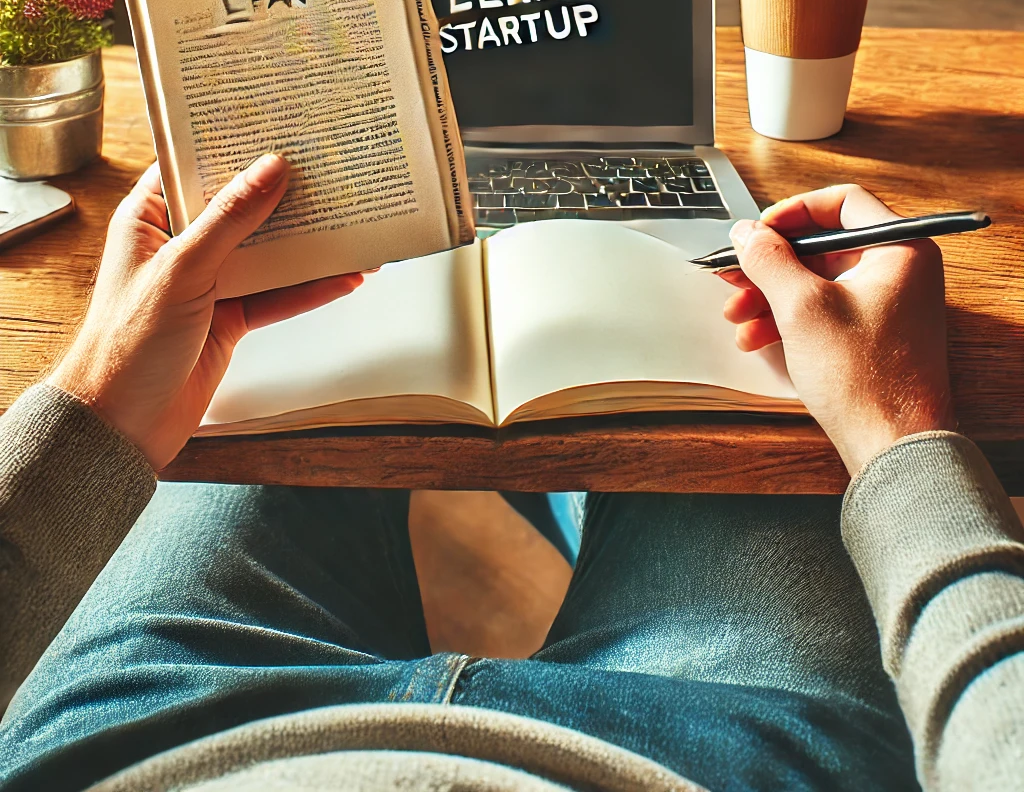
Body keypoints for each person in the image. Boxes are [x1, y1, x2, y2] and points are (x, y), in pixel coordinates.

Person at [2, 158, 1022, 791]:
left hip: (140, 736)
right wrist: (896, 432)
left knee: (238, 404)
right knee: (751, 438)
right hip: (733, 756)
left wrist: (95, 407)